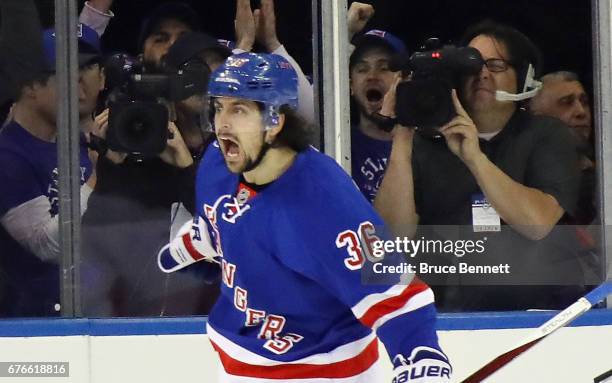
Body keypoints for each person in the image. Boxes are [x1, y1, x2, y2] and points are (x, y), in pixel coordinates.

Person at [159, 52, 451, 382]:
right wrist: (201, 242)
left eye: (238, 109)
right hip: (237, 362)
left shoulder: (327, 204)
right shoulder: (215, 162)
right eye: (219, 107)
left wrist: (421, 359)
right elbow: (231, 216)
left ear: (275, 120)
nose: (222, 123)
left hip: (323, 370)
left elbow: (393, 292)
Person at [374, 20, 586, 311]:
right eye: (471, 65)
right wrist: (402, 134)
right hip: (444, 317)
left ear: (523, 76)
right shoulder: (424, 143)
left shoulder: (546, 135)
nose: (482, 74)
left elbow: (537, 223)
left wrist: (474, 157)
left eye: (496, 65)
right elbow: (393, 239)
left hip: (535, 318)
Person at [0, 24, 101, 316]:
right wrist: (98, 180)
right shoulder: (8, 155)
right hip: (33, 330)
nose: (80, 90)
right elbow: (48, 246)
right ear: (30, 86)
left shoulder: (82, 145)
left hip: (95, 313)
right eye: (66, 77)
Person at [529, 71, 596, 224]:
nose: (581, 112)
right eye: (566, 102)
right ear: (537, 116)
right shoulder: (517, 180)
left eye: (584, 102)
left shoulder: (603, 178)